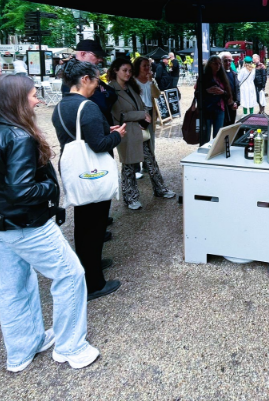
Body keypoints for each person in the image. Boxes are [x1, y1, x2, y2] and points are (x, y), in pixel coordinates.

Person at [0, 74, 98, 371]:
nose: (37, 99)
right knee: (71, 274)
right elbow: (22, 190)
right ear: (16, 100)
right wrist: (52, 189)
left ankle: (23, 349)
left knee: (15, 285)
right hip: (26, 224)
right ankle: (71, 346)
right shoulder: (19, 136)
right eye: (32, 95)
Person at [52, 59, 125, 302]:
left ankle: (89, 265)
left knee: (83, 223)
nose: (98, 85)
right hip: (92, 171)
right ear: (84, 79)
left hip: (74, 169)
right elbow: (99, 144)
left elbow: (77, 136)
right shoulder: (88, 107)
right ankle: (94, 282)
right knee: (94, 225)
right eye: (96, 80)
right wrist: (117, 135)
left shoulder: (60, 106)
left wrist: (105, 131)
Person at [131, 56, 179, 199]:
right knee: (137, 141)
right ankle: (137, 167)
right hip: (139, 112)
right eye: (144, 66)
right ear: (138, 66)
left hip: (150, 112)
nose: (147, 68)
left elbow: (158, 95)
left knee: (150, 140)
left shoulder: (150, 80)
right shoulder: (133, 81)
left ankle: (147, 165)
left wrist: (152, 81)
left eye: (149, 66)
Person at [108, 58, 151, 210]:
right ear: (115, 70)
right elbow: (120, 115)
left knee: (149, 161)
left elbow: (141, 104)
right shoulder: (111, 89)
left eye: (129, 71)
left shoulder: (130, 86)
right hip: (125, 131)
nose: (128, 73)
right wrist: (142, 115)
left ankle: (159, 189)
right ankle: (130, 198)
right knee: (128, 166)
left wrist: (144, 113)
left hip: (138, 130)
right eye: (124, 70)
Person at [59, 39, 118, 124]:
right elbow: (102, 105)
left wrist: (105, 94)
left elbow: (112, 94)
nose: (100, 60)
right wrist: (105, 94)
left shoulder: (86, 72)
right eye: (97, 56)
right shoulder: (73, 75)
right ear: (83, 54)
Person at [196, 55, 233, 140]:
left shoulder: (223, 77)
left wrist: (222, 92)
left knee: (217, 137)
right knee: (205, 136)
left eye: (219, 64)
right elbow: (197, 93)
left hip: (220, 109)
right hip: (207, 109)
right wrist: (206, 91)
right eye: (215, 64)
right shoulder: (204, 77)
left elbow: (229, 94)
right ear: (210, 64)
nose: (218, 66)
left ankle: (215, 152)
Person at [220, 51, 240, 125]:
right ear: (221, 61)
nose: (228, 63)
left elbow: (237, 89)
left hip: (233, 105)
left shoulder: (234, 74)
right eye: (225, 61)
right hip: (222, 106)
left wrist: (237, 102)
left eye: (230, 60)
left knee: (231, 126)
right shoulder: (219, 75)